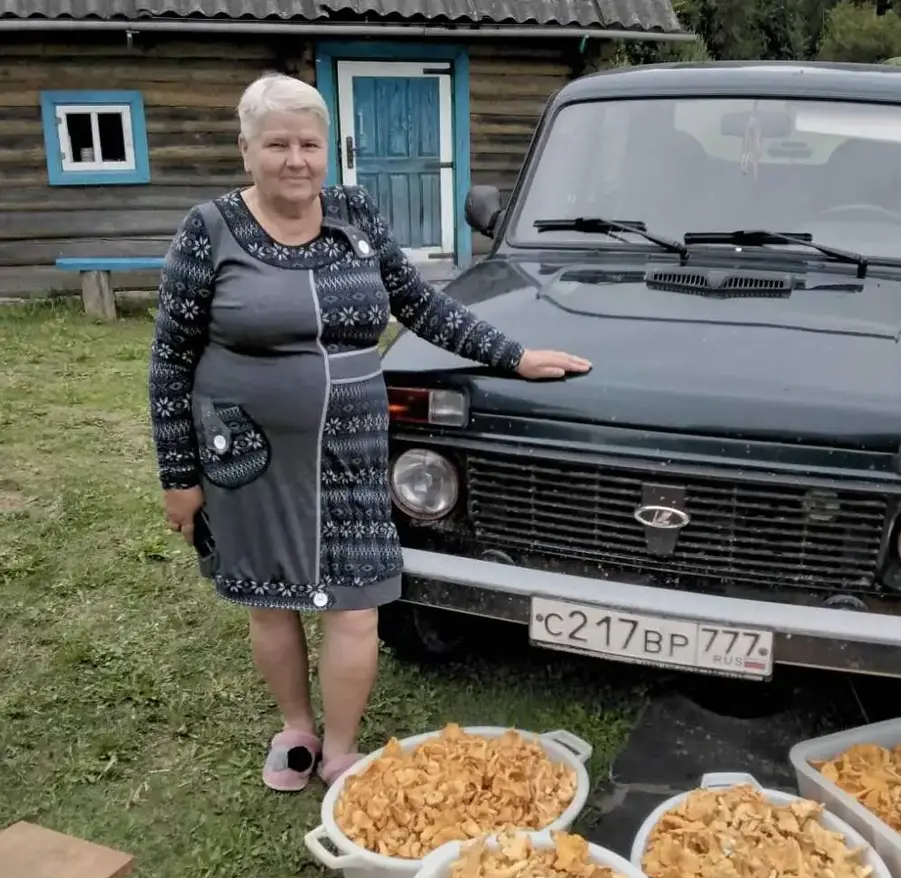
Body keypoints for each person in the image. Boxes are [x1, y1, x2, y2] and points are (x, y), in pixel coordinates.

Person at [147, 73, 590, 793]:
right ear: (246, 149)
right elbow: (170, 358)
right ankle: (295, 726)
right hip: (247, 446)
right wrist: (178, 474)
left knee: (357, 598)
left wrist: (515, 354)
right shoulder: (211, 229)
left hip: (350, 446)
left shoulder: (354, 213)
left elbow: (418, 303)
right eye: (277, 144)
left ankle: (342, 749)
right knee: (272, 592)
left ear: (328, 150)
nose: (295, 159)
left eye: (309, 144)